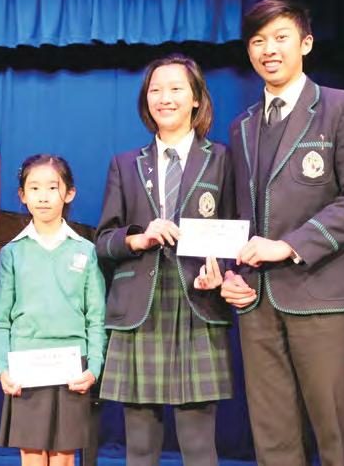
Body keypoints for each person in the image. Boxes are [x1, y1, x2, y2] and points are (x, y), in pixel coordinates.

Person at [221, 0, 344, 466]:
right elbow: (241, 218)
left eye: (281, 37)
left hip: (324, 298)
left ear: (307, 43)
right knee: (273, 440)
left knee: (339, 436)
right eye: (258, 41)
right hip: (257, 304)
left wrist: (290, 245)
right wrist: (231, 273)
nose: (269, 49)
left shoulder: (343, 109)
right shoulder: (241, 127)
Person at [95, 54, 234, 466]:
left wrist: (223, 272)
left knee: (199, 445)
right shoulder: (125, 164)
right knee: (139, 447)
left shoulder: (223, 159)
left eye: (176, 88)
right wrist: (138, 238)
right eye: (155, 90)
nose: (164, 98)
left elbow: (239, 233)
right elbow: (104, 242)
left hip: (199, 304)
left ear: (196, 98)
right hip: (140, 307)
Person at [0, 154, 106, 466]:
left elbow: (96, 318)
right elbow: (0, 321)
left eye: (52, 188)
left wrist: (93, 368)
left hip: (72, 367)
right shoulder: (12, 253)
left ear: (69, 193)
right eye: (34, 188)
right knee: (32, 456)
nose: (43, 196)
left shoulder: (85, 250)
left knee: (64, 457)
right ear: (22, 195)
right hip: (26, 366)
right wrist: (3, 368)